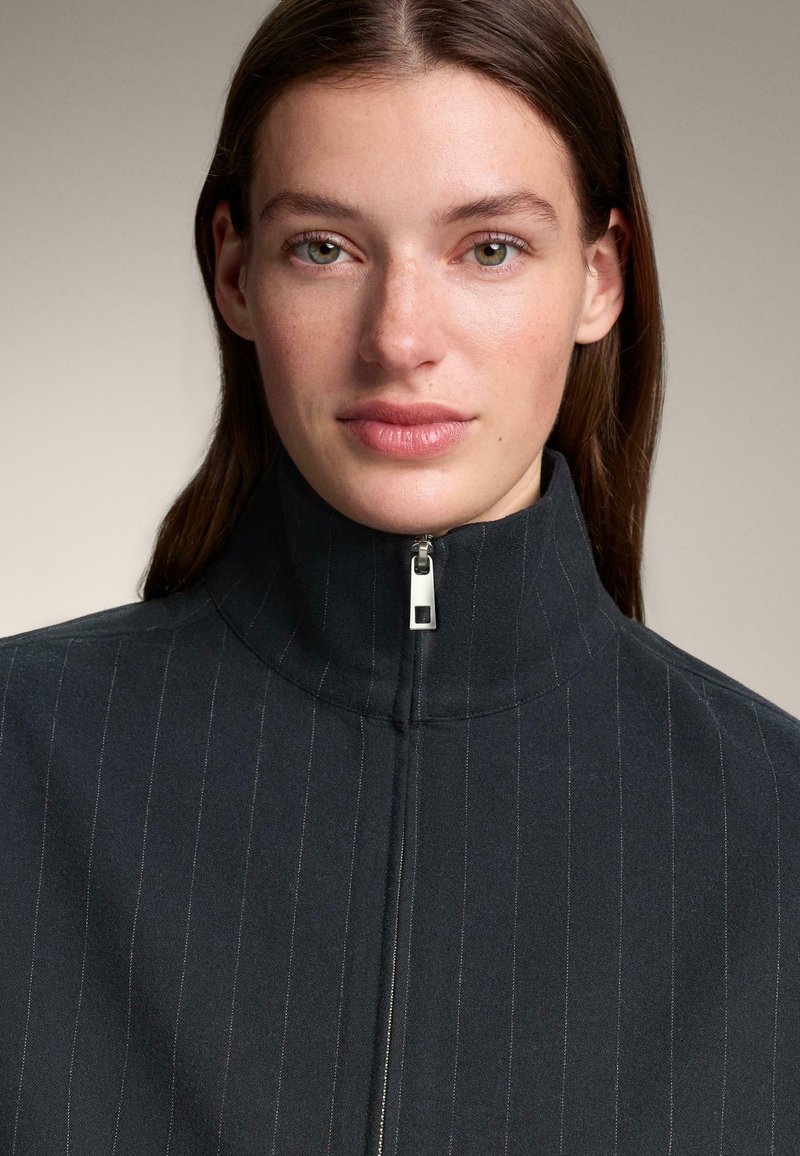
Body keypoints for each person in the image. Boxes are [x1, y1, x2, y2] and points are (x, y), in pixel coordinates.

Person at [1, 0, 798, 1152]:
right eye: (324, 247)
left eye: (488, 248)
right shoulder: (21, 756)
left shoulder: (775, 831)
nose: (398, 337)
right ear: (235, 271)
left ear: (597, 277)